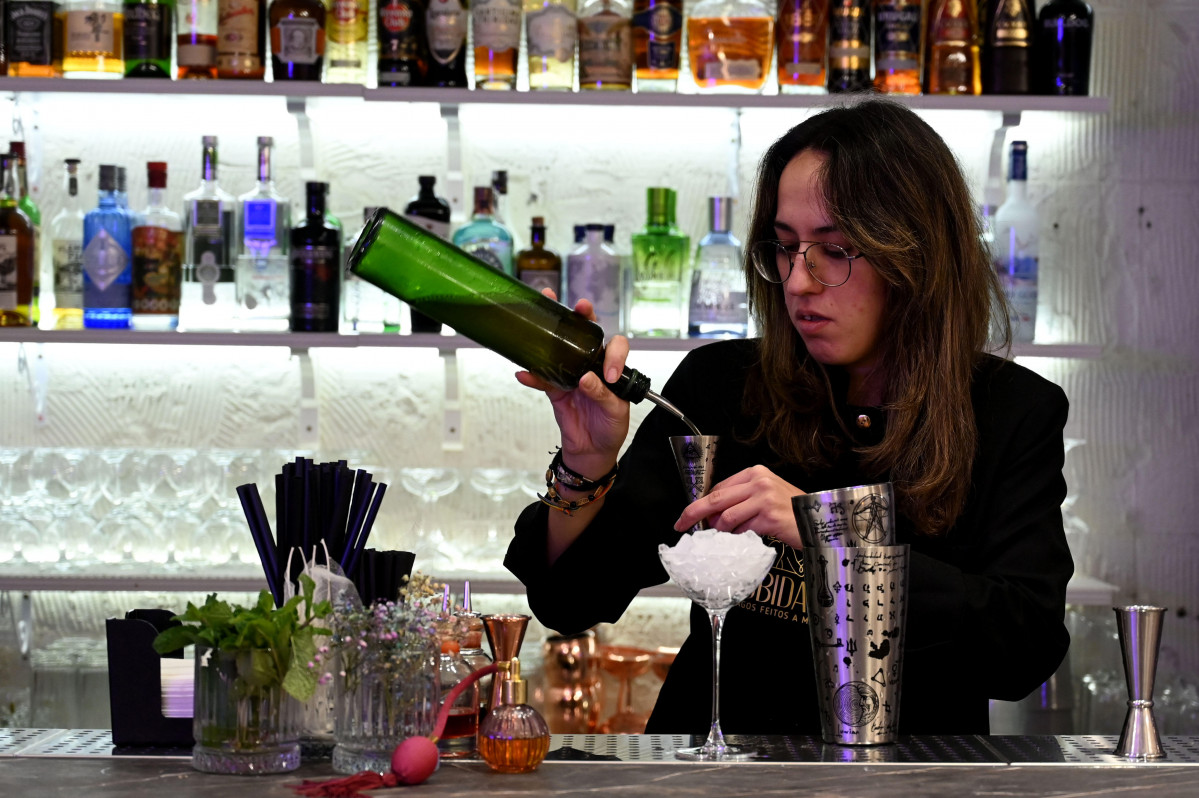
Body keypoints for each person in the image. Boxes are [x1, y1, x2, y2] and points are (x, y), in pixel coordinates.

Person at [505, 99, 1074, 735]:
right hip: (719, 768)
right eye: (784, 247)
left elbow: (1023, 647)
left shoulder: (1010, 410)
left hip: (908, 776)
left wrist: (828, 531)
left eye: (833, 249)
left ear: (916, 257)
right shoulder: (721, 386)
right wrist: (587, 462)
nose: (798, 281)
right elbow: (571, 600)